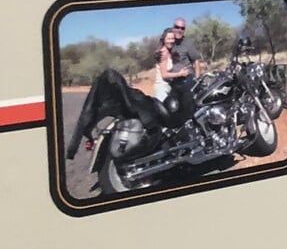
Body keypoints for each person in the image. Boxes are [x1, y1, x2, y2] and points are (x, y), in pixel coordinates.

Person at [61, 19, 200, 160]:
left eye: (172, 38)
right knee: (166, 121)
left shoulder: (172, 52)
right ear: (163, 39)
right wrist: (180, 74)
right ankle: (165, 149)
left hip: (169, 87)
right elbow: (164, 75)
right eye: (168, 38)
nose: (171, 40)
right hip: (163, 88)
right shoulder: (163, 53)